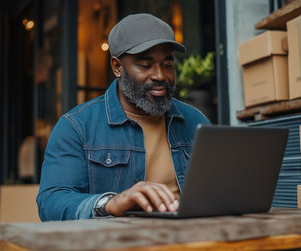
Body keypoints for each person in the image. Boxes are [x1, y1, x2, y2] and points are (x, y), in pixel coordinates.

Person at [36, 13, 211, 221]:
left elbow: (220, 189)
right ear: (117, 67)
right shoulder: (76, 127)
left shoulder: (196, 121)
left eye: (167, 64)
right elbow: (51, 204)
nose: (160, 76)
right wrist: (110, 203)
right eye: (145, 65)